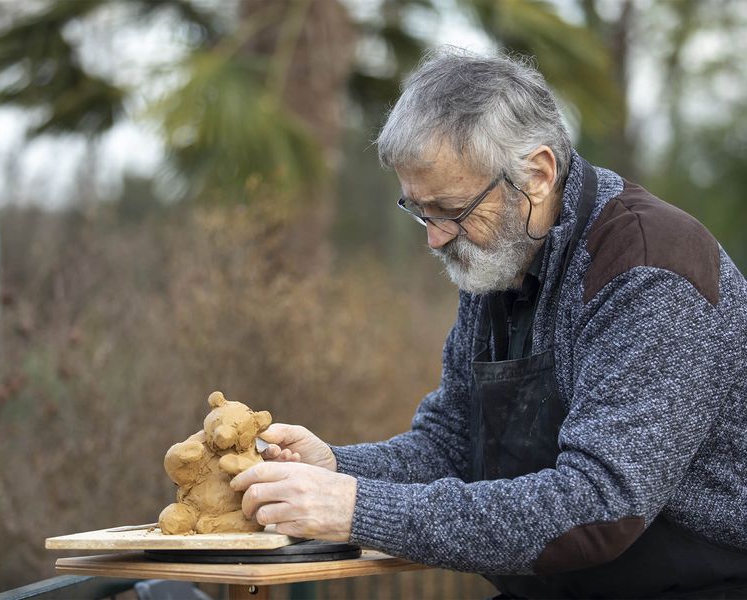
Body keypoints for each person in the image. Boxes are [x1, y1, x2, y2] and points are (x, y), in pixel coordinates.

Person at [230, 48, 747, 598]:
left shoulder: (650, 270)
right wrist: (335, 468)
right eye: (420, 211)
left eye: (451, 210)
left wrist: (357, 508)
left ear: (539, 174)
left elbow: (598, 506)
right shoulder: (499, 254)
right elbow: (452, 445)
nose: (435, 237)